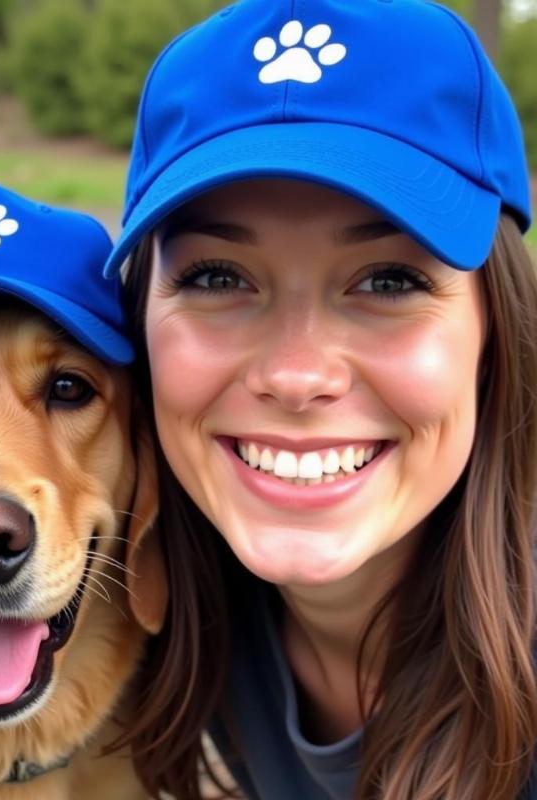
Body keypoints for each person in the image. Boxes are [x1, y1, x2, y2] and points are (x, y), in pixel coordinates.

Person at [101, 1, 537, 798]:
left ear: (495, 332)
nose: (297, 376)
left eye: (389, 280)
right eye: (218, 277)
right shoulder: (148, 593)